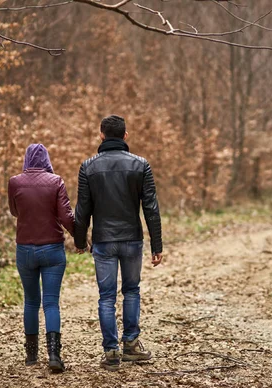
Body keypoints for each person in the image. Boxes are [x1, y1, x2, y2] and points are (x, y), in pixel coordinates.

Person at [74, 115, 163, 371]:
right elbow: (151, 209)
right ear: (126, 136)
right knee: (132, 290)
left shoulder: (88, 167)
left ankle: (111, 351)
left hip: (103, 241)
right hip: (132, 239)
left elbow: (83, 210)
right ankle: (131, 344)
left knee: (106, 296)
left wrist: (80, 240)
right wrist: (157, 245)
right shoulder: (141, 165)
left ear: (101, 135)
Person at [8, 144, 75, 372]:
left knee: (30, 301)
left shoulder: (15, 182)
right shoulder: (56, 181)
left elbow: (14, 211)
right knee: (50, 302)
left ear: (26, 159)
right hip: (52, 250)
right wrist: (80, 237)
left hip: (25, 249)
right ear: (46, 159)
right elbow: (66, 216)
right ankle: (54, 355)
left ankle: (31, 356)